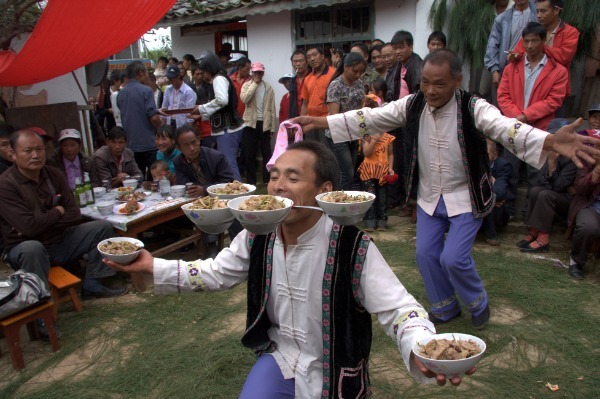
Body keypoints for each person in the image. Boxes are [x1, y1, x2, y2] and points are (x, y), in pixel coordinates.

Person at [105, 140, 478, 398]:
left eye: (293, 178)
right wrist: (152, 266)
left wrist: (421, 346)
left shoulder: (351, 246)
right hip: (281, 359)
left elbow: (398, 308)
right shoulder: (258, 234)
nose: (279, 186)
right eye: (274, 176)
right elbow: (217, 272)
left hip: (335, 371)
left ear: (325, 190)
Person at [291, 48, 600, 329]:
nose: (430, 91)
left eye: (439, 84)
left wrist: (550, 140)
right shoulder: (413, 104)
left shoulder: (473, 107)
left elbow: (506, 128)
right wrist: (318, 123)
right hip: (429, 195)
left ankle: (478, 301)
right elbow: (370, 118)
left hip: (465, 196)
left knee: (453, 258)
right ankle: (445, 306)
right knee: (426, 254)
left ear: (457, 80)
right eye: (425, 82)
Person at [0, 130, 127, 303]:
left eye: (39, 149)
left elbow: (74, 214)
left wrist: (40, 222)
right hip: (25, 249)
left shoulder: (53, 174)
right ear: (13, 154)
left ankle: (93, 282)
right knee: (32, 247)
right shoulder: (6, 185)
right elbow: (28, 227)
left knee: (101, 227)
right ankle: (39, 304)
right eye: (28, 151)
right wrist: (57, 212)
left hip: (59, 240)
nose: (35, 155)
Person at [497, 22, 568, 217]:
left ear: (543, 41)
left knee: (536, 175)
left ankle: (530, 216)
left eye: (534, 41)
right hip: (514, 127)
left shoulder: (558, 71)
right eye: (526, 41)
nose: (529, 45)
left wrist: (527, 115)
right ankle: (507, 212)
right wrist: (517, 116)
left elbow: (554, 101)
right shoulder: (512, 68)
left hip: (540, 130)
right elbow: (503, 96)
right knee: (510, 169)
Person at [172, 125, 241, 258]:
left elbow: (228, 182)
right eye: (186, 145)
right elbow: (182, 182)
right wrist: (193, 189)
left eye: (194, 142)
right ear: (179, 148)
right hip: (197, 199)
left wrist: (204, 189)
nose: (192, 148)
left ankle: (239, 246)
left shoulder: (216, 156)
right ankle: (210, 245)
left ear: (199, 140)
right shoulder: (178, 161)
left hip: (221, 197)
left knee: (230, 211)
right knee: (195, 210)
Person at [190, 52, 245, 181]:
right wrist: (201, 116)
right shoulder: (221, 78)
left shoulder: (218, 79)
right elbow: (222, 105)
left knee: (228, 161)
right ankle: (236, 190)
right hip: (228, 127)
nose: (203, 75)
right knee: (228, 160)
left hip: (228, 128)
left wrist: (201, 108)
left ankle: (240, 192)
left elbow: (222, 100)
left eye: (203, 71)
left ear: (209, 68)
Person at [510, 0, 580, 95]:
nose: (538, 15)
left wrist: (540, 47)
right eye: (537, 11)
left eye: (543, 11)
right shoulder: (533, 30)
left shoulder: (570, 32)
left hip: (556, 86)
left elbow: (564, 57)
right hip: (529, 85)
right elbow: (519, 51)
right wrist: (515, 56)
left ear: (556, 10)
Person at [518, 150, 576, 252]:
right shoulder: (552, 155)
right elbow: (541, 180)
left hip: (571, 201)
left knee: (546, 195)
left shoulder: (572, 161)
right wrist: (551, 164)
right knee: (535, 191)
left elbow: (559, 186)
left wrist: (552, 164)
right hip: (558, 192)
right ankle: (534, 231)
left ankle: (543, 239)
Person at [326, 52, 367, 190]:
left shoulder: (360, 84)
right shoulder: (336, 85)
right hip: (338, 134)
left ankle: (345, 199)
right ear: (345, 66)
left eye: (361, 72)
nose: (358, 74)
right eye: (355, 71)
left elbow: (361, 108)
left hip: (354, 132)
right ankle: (339, 201)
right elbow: (334, 116)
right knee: (347, 172)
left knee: (351, 171)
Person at [484, 0, 537, 104]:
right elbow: (492, 46)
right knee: (502, 106)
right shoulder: (502, 19)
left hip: (532, 67)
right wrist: (494, 70)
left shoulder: (537, 14)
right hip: (508, 67)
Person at [117, 60, 161, 179]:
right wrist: (161, 129)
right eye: (147, 73)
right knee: (156, 179)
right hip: (149, 143)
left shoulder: (120, 94)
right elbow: (154, 117)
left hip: (131, 145)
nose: (148, 76)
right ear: (140, 72)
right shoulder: (146, 90)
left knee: (136, 179)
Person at [357, 94, 395, 231]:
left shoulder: (388, 137)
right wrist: (374, 139)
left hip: (383, 172)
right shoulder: (366, 136)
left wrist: (390, 168)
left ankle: (382, 222)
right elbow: (366, 153)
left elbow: (390, 154)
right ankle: (370, 222)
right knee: (370, 197)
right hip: (368, 171)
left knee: (382, 199)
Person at [240, 62, 276, 186]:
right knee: (249, 154)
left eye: (260, 72)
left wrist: (272, 127)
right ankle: (251, 181)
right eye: (255, 72)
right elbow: (245, 99)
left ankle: (267, 179)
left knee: (267, 153)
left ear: (263, 73)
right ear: (252, 72)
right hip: (250, 123)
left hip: (264, 123)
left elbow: (272, 107)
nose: (258, 75)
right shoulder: (247, 85)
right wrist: (254, 84)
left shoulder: (268, 87)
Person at [300, 46, 335, 144]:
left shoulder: (334, 74)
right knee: (312, 153)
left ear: (323, 56)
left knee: (327, 153)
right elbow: (305, 103)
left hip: (326, 122)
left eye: (315, 55)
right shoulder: (307, 79)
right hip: (310, 122)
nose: (312, 59)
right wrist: (301, 121)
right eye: (309, 57)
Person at [482, 140, 513, 246]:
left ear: (495, 154)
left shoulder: (503, 166)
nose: (482, 157)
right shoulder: (474, 165)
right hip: (478, 206)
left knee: (493, 198)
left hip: (498, 214)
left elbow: (500, 192)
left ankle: (491, 235)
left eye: (486, 154)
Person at [160, 65, 197, 130]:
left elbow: (190, 113)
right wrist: (163, 125)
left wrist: (189, 129)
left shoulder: (188, 92)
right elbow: (164, 107)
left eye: (172, 78)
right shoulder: (168, 89)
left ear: (179, 76)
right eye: (169, 78)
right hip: (170, 122)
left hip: (182, 125)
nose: (170, 80)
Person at [288, 50, 310, 119]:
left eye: (301, 61)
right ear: (292, 64)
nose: (298, 64)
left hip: (310, 116)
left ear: (306, 63)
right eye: (295, 61)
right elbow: (292, 102)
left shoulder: (312, 78)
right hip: (296, 116)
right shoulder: (292, 80)